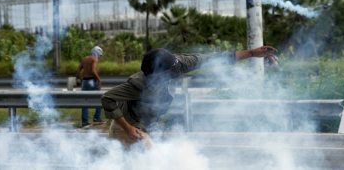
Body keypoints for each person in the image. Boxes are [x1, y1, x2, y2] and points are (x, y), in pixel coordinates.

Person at [101, 46, 278, 147]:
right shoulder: (138, 84)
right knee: (152, 161)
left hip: (146, 126)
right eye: (169, 73)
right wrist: (127, 128)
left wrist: (253, 53)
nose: (176, 73)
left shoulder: (178, 62)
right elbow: (107, 98)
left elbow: (213, 58)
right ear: (155, 74)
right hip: (128, 128)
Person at [77, 46, 106, 128]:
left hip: (85, 81)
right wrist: (99, 80)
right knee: (101, 98)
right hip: (92, 81)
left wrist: (82, 80)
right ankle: (96, 117)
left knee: (85, 102)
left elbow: (78, 70)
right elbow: (93, 70)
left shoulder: (84, 59)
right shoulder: (94, 59)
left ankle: (84, 122)